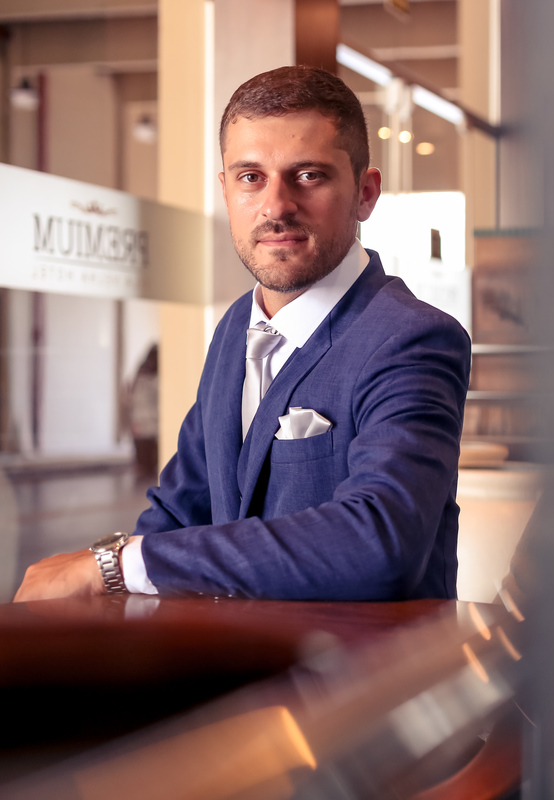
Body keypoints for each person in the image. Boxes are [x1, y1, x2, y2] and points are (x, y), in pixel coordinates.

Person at [15, 66, 470, 602]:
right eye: (251, 177)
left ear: (365, 194)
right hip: (235, 649)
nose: (276, 206)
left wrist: (115, 564)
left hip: (367, 654)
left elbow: (380, 542)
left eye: (309, 175)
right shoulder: (237, 326)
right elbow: (181, 509)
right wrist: (102, 591)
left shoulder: (411, 339)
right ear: (226, 191)